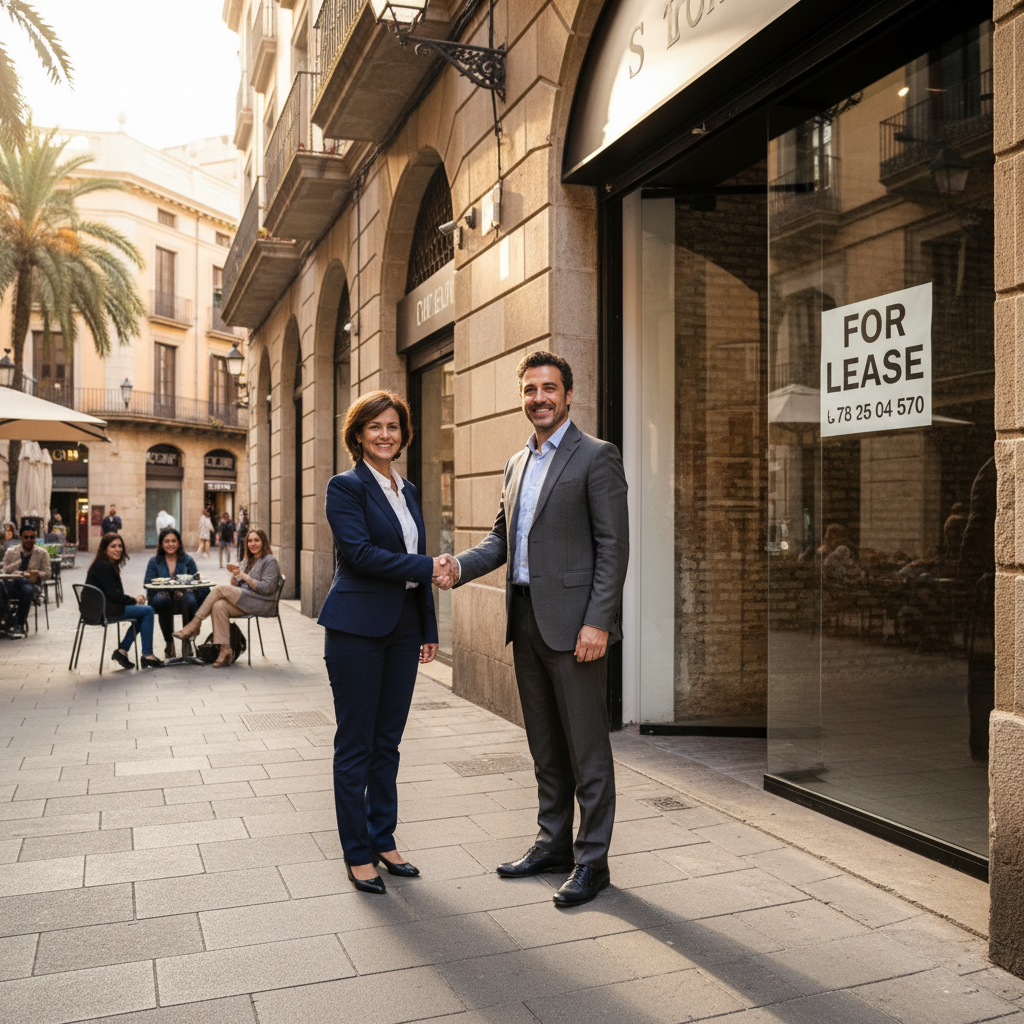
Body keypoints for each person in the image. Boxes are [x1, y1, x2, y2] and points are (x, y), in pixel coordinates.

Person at [436, 351, 629, 907]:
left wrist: (599, 621)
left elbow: (614, 548)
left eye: (548, 388)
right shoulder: (516, 462)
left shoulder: (596, 456)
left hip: (576, 630)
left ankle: (593, 860)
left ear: (569, 395)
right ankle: (553, 844)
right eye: (529, 390)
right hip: (525, 621)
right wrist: (458, 567)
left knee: (586, 749)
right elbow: (501, 540)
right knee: (545, 745)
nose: (538, 398)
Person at [317, 390, 443, 895]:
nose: (385, 434)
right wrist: (432, 569)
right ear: (358, 434)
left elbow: (417, 553)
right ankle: (356, 854)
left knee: (387, 743)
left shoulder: (407, 490)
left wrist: (429, 628)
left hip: (404, 628)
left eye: (393, 426)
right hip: (356, 629)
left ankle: (382, 837)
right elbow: (362, 554)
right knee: (356, 745)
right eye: (375, 427)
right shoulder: (344, 488)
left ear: (403, 433)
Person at [174, 528, 280, 667]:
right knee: (218, 606)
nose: (252, 544)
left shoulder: (270, 561)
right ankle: (225, 649)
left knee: (220, 589)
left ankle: (195, 623)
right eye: (250, 540)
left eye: (256, 540)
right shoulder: (249, 560)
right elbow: (242, 585)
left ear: (263, 542)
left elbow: (267, 588)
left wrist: (244, 577)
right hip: (249, 600)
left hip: (263, 603)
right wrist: (236, 578)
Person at [84, 533, 163, 669]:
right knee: (148, 610)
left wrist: (133, 601)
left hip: (101, 608)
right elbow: (115, 595)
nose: (118, 549)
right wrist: (134, 600)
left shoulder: (105, 564)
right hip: (102, 611)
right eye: (113, 546)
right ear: (105, 549)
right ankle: (147, 655)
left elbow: (114, 594)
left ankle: (122, 651)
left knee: (142, 614)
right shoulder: (104, 566)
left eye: (120, 546)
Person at [144, 527, 209, 659]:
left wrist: (183, 588)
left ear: (178, 543)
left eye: (174, 541)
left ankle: (187, 640)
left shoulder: (187, 560)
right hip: (161, 598)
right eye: (166, 541)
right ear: (161, 544)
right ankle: (169, 643)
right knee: (164, 600)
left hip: (184, 597)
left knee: (190, 600)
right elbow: (147, 583)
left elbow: (196, 581)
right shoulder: (154, 561)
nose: (170, 544)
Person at [1, 524, 52, 635]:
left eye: (32, 537)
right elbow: (5, 570)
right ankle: (5, 618)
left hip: (31, 586)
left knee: (27, 589)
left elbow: (48, 573)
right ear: (21, 538)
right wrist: (19, 562)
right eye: (26, 537)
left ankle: (19, 624)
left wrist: (37, 573)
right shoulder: (12, 551)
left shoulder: (42, 553)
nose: (29, 540)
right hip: (11, 584)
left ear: (35, 538)